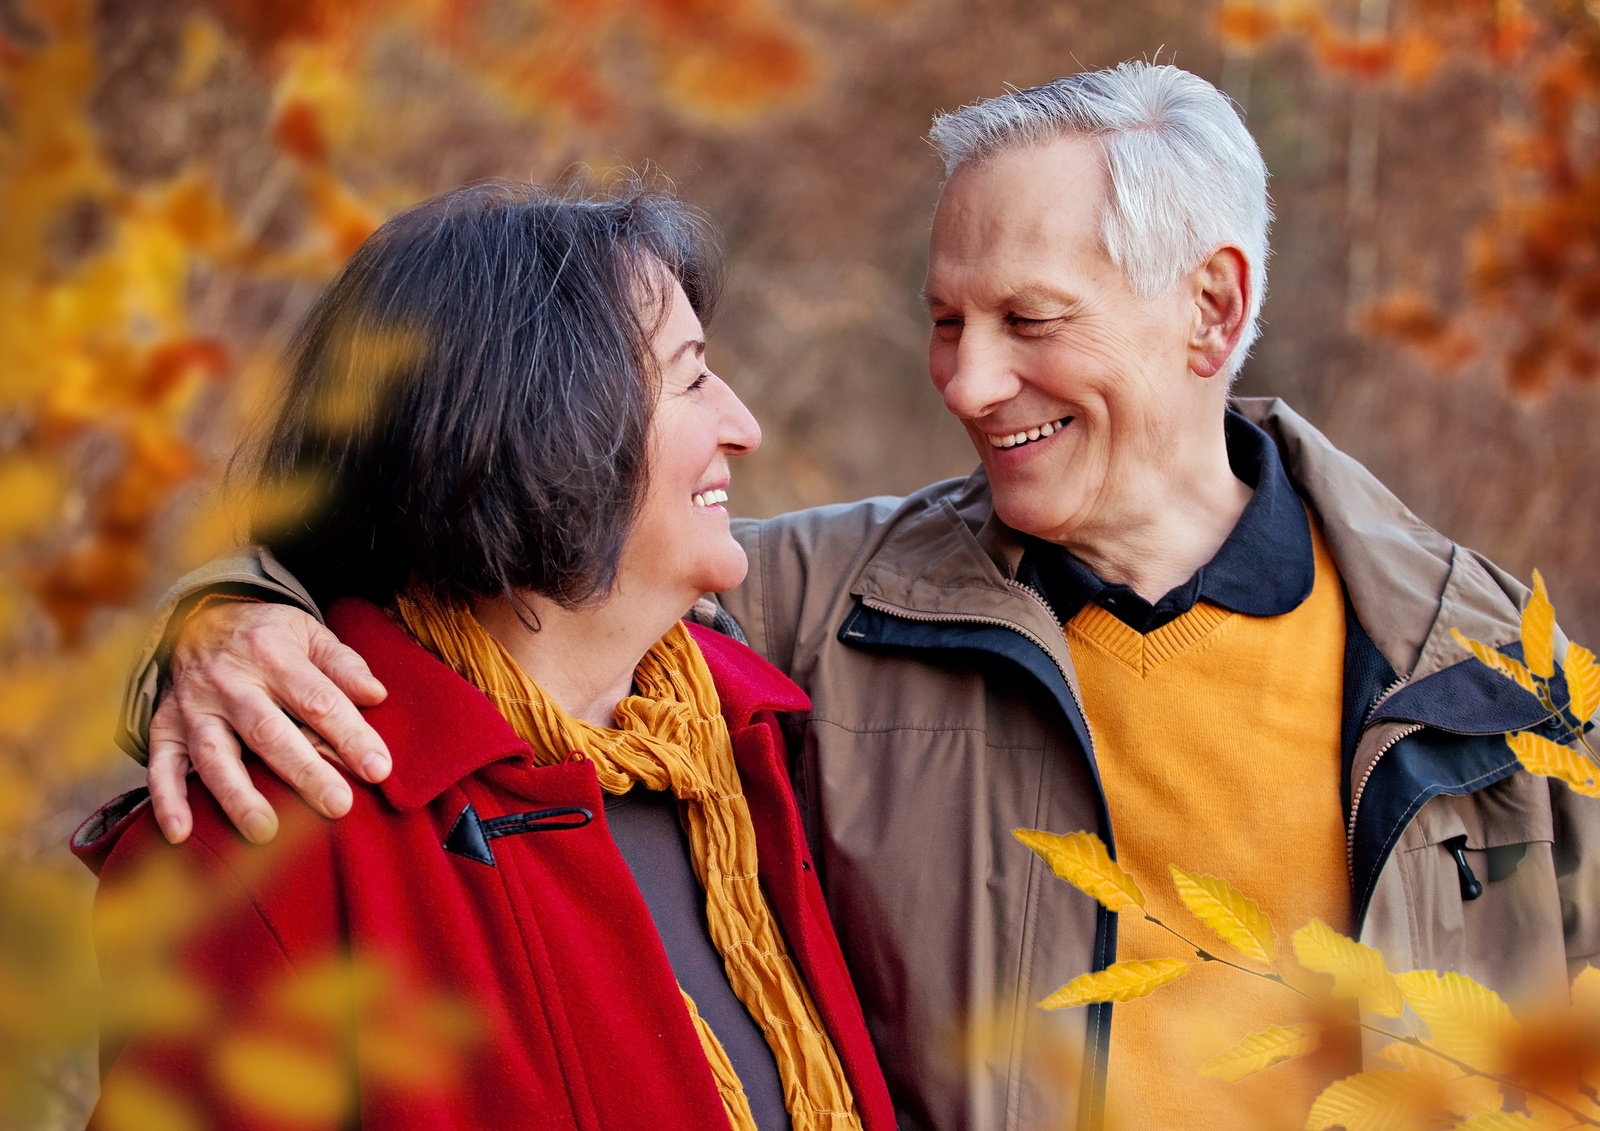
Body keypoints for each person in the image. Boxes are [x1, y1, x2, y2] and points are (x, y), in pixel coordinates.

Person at [104, 65, 1600, 1131]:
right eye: (945, 321)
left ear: (1210, 306)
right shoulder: (816, 610)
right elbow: (474, 560)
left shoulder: (1491, 678)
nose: (964, 380)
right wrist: (227, 611)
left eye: (1029, 320)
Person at [72, 184, 897, 1131]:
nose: (744, 424)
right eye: (693, 377)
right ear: (546, 426)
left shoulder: (749, 747)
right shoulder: (271, 841)